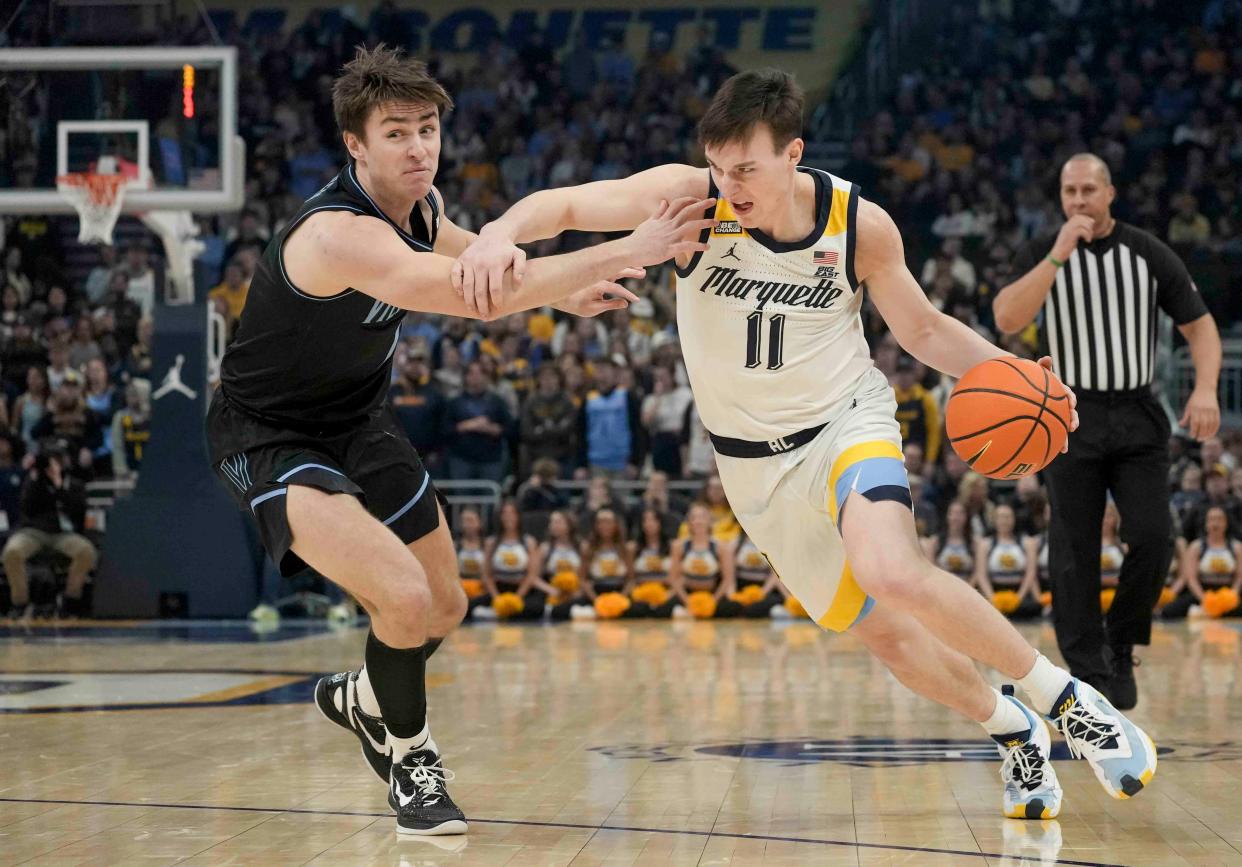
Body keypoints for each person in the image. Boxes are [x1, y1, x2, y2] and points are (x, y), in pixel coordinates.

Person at [458, 68, 1158, 819]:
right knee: (889, 639)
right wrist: (497, 234)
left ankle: (1067, 701)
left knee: (891, 566)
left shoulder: (859, 223)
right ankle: (1011, 726)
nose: (730, 185)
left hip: (845, 422)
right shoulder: (690, 198)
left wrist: (1014, 372)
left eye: (747, 169)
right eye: (720, 167)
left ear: (793, 153)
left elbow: (921, 331)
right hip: (752, 467)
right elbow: (563, 205)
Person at [203, 45, 708, 837]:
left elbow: (476, 256)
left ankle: (369, 698)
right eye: (396, 133)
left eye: (428, 129)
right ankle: (413, 762)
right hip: (268, 432)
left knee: (445, 603)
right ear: (355, 145)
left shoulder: (423, 205)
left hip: (358, 417)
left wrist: (568, 291)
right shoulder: (337, 234)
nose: (417, 148)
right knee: (400, 597)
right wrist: (630, 249)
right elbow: (470, 298)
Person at [994, 152, 1222, 710]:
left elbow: (1200, 325)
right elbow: (1006, 318)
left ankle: (1122, 643)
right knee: (1072, 547)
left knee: (1153, 535)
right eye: (1069, 192)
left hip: (1140, 411)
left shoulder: (1147, 253)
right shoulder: (1045, 251)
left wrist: (1206, 389)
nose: (1078, 202)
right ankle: (1088, 671)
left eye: (1088, 191)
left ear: (1110, 193)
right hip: (1070, 414)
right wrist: (1055, 256)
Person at [2, 446, 96, 619]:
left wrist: (59, 485)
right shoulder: (34, 481)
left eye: (56, 461)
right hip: (33, 532)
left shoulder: (75, 485)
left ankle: (70, 600)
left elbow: (77, 511)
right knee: (12, 552)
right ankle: (20, 603)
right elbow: (26, 508)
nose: (52, 466)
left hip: (63, 534)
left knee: (86, 551)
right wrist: (35, 480)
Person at [1164, 505, 1242, 619]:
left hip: (1228, 591)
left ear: (1226, 523)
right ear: (1206, 524)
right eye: (1212, 519)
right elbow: (1191, 579)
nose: (1215, 523)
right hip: (1202, 592)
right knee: (1169, 611)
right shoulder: (1196, 547)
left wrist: (1231, 595)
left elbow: (1239, 577)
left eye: (1219, 519)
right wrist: (1205, 599)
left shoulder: (1237, 547)